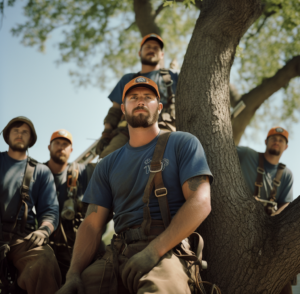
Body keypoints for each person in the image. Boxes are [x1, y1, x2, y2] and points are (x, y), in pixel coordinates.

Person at [56, 76, 213, 294]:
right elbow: (92, 225)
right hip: (116, 253)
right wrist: (73, 274)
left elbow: (201, 201)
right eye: (133, 97)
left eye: (147, 97)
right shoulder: (106, 165)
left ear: (159, 107)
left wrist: (153, 251)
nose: (140, 101)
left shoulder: (182, 143)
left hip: (166, 251)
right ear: (123, 108)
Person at [0, 116, 61, 294]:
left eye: (25, 132)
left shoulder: (41, 171)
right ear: (7, 136)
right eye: (16, 131)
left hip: (22, 238)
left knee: (44, 259)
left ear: (31, 139)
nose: (20, 134)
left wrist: (43, 230)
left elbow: (50, 210)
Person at [96, 33, 179, 158]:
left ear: (162, 55)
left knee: (165, 160)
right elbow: (115, 110)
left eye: (156, 48)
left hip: (163, 128)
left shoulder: (173, 76)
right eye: (148, 47)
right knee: (107, 160)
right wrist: (106, 134)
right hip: (127, 131)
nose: (151, 49)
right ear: (139, 53)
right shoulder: (128, 79)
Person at [237, 127, 294, 294]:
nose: (277, 141)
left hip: (268, 232)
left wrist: (272, 220)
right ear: (265, 142)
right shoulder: (246, 154)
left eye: (281, 140)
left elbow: (286, 204)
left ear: (286, 147)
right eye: (273, 138)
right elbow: (220, 151)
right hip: (238, 223)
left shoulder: (286, 175)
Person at [45, 129, 106, 283]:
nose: (61, 147)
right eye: (57, 143)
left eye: (65, 144)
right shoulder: (37, 173)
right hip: (43, 239)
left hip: (75, 241)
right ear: (49, 147)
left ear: (71, 150)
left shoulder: (83, 172)